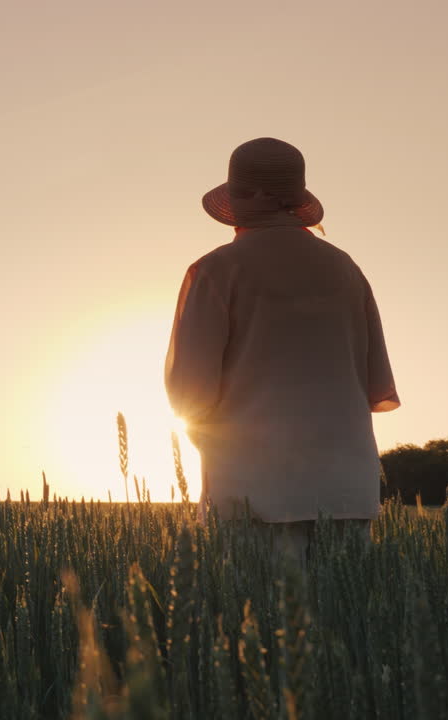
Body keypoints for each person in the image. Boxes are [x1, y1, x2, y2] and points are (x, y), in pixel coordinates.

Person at [164, 137, 400, 569]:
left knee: (260, 626)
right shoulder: (346, 269)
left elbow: (189, 391)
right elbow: (374, 384)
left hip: (254, 492)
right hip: (347, 489)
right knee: (344, 628)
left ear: (244, 199)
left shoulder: (216, 270)